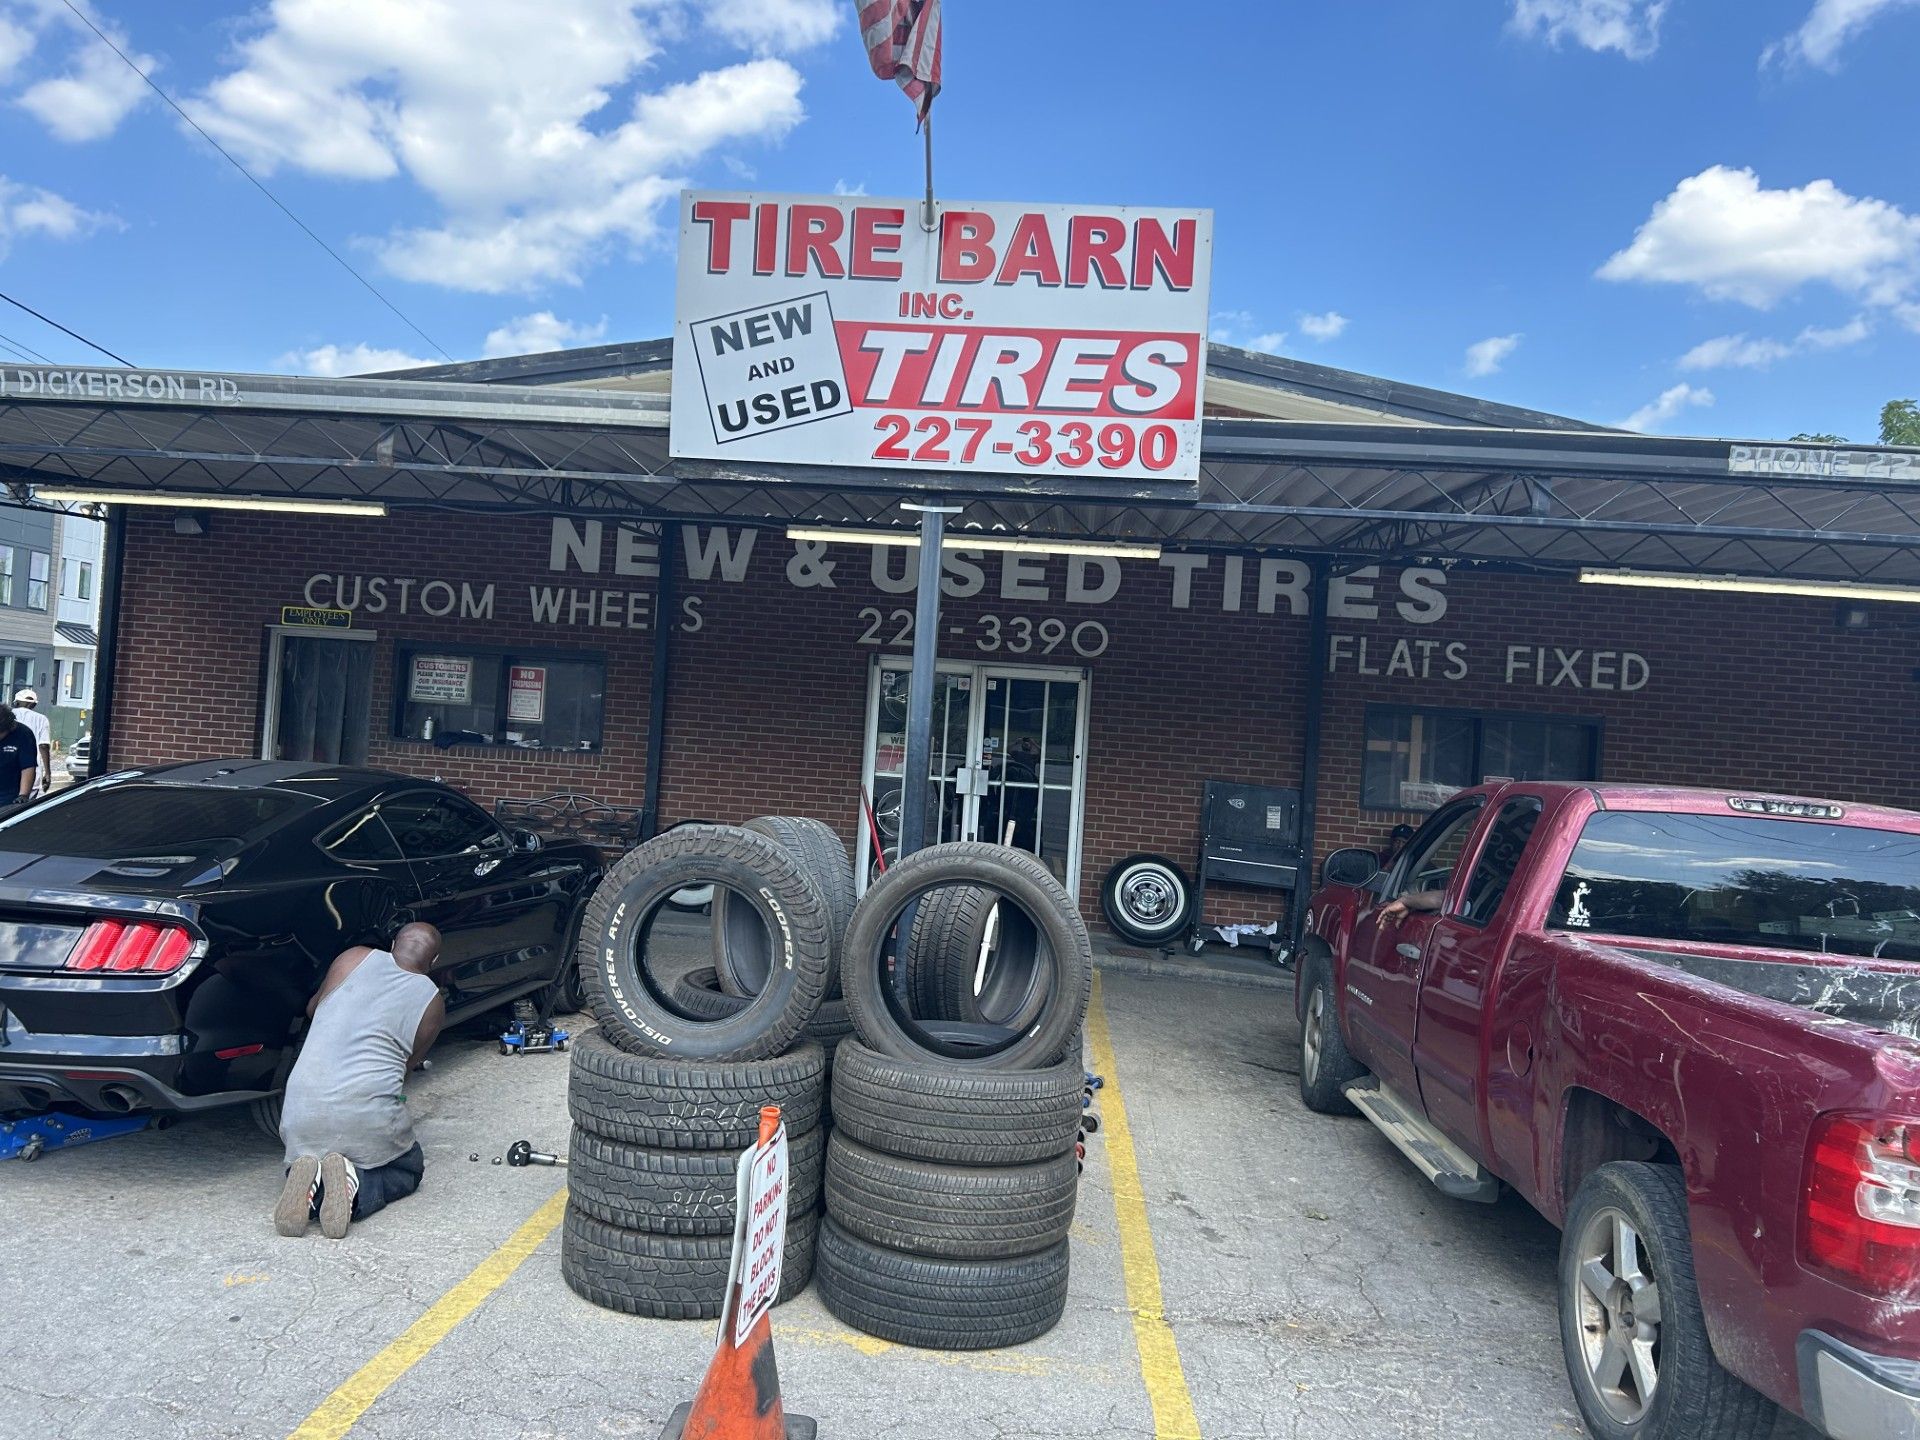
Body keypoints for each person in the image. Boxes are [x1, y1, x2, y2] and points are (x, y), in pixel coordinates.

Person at [274, 923, 446, 1239]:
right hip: (362, 1114)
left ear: (394, 943)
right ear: (433, 962)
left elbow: (314, 1009)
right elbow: (405, 1069)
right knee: (408, 1168)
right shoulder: (432, 1003)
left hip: (299, 1109)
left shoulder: (353, 957)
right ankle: (354, 1182)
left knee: (310, 1150)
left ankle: (307, 1178)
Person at [11, 690, 49, 797]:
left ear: (16, 702)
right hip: (31, 773)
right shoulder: (41, 719)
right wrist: (47, 772)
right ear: (33, 704)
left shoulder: (7, 716)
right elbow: (44, 746)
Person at [0, 704, 38, 810]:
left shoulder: (23, 734)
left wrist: (23, 795)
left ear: (10, 728)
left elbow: (28, 767)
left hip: (7, 794)